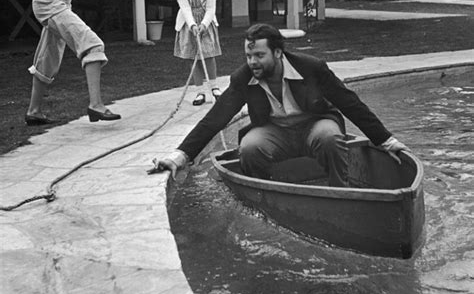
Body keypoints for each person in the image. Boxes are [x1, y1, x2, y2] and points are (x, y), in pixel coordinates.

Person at [152, 23, 410, 186]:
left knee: (330, 137)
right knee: (250, 147)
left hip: (314, 124)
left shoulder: (311, 68)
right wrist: (181, 155)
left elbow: (349, 102)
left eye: (259, 55)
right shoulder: (243, 77)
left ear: (278, 53)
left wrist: (385, 139)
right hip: (274, 131)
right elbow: (216, 117)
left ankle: (339, 190)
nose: (252, 61)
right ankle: (266, 192)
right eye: (248, 55)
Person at [174, 0, 222, 106]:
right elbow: (186, 9)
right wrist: (193, 25)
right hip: (188, 26)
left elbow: (210, 8)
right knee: (193, 58)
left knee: (208, 55)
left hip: (206, 24)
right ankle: (199, 92)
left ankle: (214, 88)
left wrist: (203, 25)